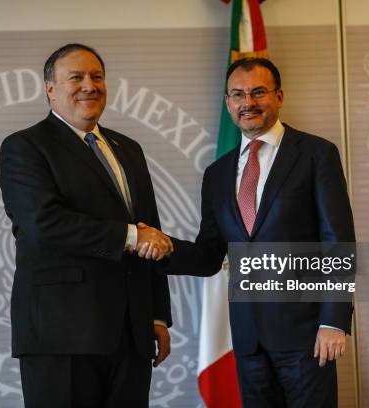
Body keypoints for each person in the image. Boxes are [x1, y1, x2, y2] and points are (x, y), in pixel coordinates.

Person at [141, 57, 355, 407]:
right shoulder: (217, 174)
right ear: (228, 103)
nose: (248, 103)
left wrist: (333, 321)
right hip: (248, 340)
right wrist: (164, 249)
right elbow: (211, 252)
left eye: (258, 92)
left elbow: (338, 243)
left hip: (306, 336)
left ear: (279, 96)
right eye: (238, 95)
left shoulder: (317, 154)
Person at [0, 43, 173, 407]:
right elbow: (43, 222)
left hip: (131, 334)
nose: (89, 85)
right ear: (50, 88)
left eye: (96, 76)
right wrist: (130, 236)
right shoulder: (24, 147)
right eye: (75, 77)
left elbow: (150, 229)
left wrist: (156, 314)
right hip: (62, 336)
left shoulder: (129, 149)